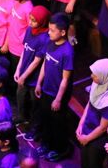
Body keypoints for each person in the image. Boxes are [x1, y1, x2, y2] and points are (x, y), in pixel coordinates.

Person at [34, 13, 74, 161]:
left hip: (58, 94)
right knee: (46, 119)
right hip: (46, 89)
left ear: (62, 32)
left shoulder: (67, 52)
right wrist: (39, 83)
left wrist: (58, 99)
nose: (49, 32)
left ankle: (60, 149)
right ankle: (47, 144)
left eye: (52, 30)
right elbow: (45, 63)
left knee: (57, 123)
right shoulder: (50, 43)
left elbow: (65, 79)